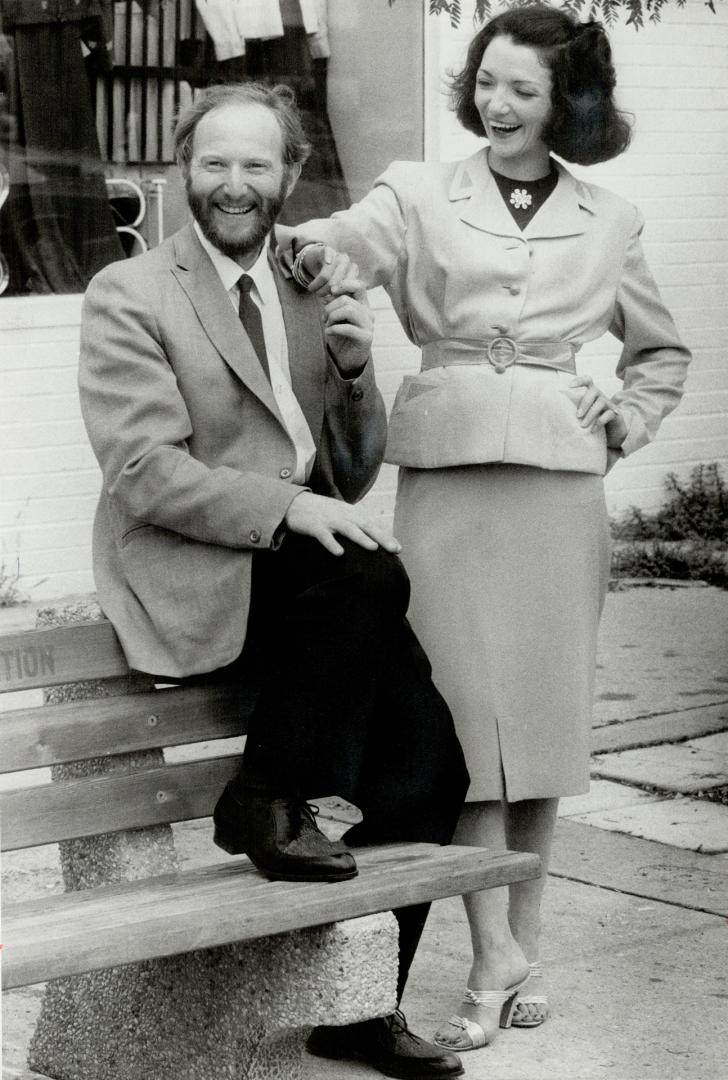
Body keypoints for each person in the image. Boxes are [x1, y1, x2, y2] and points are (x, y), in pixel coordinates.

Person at [277, 2, 691, 1052]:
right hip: (452, 477)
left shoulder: (610, 217)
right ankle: (492, 945)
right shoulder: (420, 188)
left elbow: (659, 356)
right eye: (487, 82)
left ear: (567, 102)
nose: (496, 104)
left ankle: (518, 954)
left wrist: (623, 417)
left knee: (540, 735)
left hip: (559, 485)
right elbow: (353, 239)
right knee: (462, 727)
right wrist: (314, 248)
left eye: (523, 88)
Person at [78, 81, 469, 1080]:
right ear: (182, 168)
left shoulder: (308, 283)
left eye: (257, 164)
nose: (234, 184)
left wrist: (348, 369)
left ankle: (356, 1008)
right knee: (370, 575)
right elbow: (142, 471)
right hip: (199, 567)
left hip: (308, 588)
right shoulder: (132, 293)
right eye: (214, 162)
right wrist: (288, 508)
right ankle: (263, 797)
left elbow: (347, 473)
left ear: (290, 174)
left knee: (429, 768)